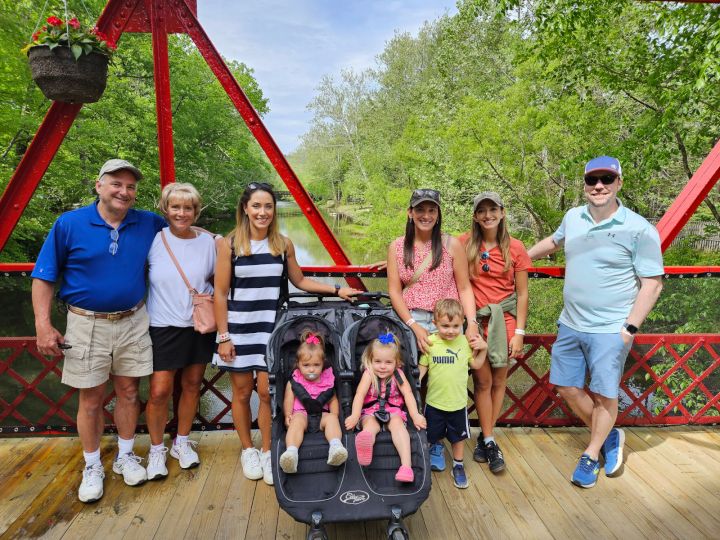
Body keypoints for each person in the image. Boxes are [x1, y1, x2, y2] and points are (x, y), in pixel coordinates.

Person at [31, 159, 165, 503]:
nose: (124, 192)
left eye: (130, 187)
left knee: (129, 392)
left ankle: (125, 456)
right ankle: (92, 466)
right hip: (85, 322)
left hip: (134, 320)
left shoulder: (148, 222)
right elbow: (44, 276)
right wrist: (43, 325)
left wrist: (227, 244)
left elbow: (186, 232)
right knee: (90, 399)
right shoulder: (69, 224)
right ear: (99, 185)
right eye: (116, 184)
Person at [527, 156, 663, 488]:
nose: (599, 186)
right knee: (566, 387)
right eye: (592, 180)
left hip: (610, 329)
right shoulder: (573, 217)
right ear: (585, 184)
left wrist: (629, 329)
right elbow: (555, 242)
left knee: (604, 396)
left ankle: (590, 454)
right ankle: (607, 434)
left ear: (619, 183)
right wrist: (520, 259)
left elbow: (653, 283)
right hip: (571, 323)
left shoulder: (639, 228)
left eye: (606, 179)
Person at [213, 182, 360, 485]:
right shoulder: (229, 245)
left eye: (268, 206)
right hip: (239, 330)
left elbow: (301, 281)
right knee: (241, 393)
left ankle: (268, 450)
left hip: (272, 330)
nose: (262, 212)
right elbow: (220, 293)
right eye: (256, 206)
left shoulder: (282, 245)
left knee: (266, 393)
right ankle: (248, 450)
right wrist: (223, 336)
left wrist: (337, 289)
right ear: (245, 208)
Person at [144, 183, 217, 480]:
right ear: (165, 209)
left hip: (199, 325)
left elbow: (222, 279)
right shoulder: (153, 240)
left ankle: (182, 442)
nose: (182, 213)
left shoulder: (209, 242)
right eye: (175, 207)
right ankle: (156, 448)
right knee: (159, 391)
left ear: (196, 211)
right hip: (162, 325)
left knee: (192, 384)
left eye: (188, 208)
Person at [458, 192, 531, 474]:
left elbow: (522, 294)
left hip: (505, 321)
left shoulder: (516, 247)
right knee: (482, 381)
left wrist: (520, 332)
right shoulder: (464, 243)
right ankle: (488, 439)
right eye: (482, 211)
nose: (488, 215)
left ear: (502, 212)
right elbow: (432, 253)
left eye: (493, 209)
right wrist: (394, 263)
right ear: (475, 216)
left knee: (499, 380)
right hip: (476, 320)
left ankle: (487, 437)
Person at [386, 188, 481, 354]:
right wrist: (413, 326)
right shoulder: (397, 247)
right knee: (414, 368)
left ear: (438, 214)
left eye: (432, 210)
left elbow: (464, 288)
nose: (426, 216)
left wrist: (472, 323)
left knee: (449, 367)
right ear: (410, 212)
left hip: (449, 321)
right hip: (412, 319)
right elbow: (395, 292)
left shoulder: (451, 244)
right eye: (420, 210)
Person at [418, 299, 487, 489]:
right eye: (445, 326)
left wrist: (484, 348)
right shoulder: (430, 342)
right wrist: (411, 385)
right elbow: (421, 369)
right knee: (431, 434)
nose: (450, 331)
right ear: (435, 324)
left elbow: (476, 364)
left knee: (458, 438)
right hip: (434, 402)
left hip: (458, 403)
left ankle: (458, 465)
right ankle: (432, 454)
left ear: (463, 322)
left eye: (456, 326)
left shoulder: (465, 342)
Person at [344, 331, 427, 483]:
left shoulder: (398, 375)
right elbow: (359, 395)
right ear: (370, 360)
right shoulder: (369, 374)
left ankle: (406, 467)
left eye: (388, 362)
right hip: (370, 411)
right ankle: (366, 441)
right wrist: (355, 415)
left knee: (398, 426)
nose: (382, 367)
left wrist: (415, 415)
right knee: (370, 425)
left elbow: (408, 394)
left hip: (393, 410)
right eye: (378, 361)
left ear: (397, 363)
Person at [279, 330, 348, 473]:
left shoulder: (328, 379)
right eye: (306, 365)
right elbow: (288, 399)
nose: (311, 369)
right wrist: (288, 415)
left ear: (323, 364)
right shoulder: (295, 381)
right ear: (298, 364)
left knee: (331, 419)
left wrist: (335, 415)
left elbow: (333, 399)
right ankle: (291, 453)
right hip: (301, 414)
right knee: (296, 422)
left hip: (322, 415)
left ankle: (336, 447)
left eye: (316, 365)